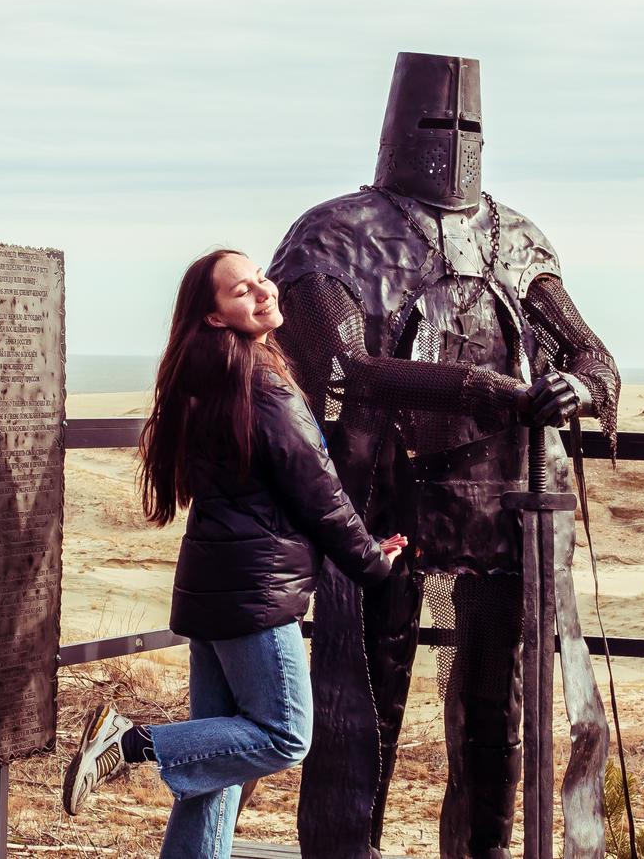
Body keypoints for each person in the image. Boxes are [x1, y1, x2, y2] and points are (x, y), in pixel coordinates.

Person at [267, 51, 618, 858]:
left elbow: (593, 356)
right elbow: (341, 367)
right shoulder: (336, 234)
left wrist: (580, 390)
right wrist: (473, 388)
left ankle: (483, 851)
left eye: (465, 123)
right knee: (364, 706)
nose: (451, 137)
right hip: (381, 504)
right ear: (400, 120)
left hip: (502, 507)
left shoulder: (515, 240)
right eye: (438, 119)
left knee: (495, 715)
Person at [61, 249, 405, 859]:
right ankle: (134, 742)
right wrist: (373, 564)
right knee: (283, 735)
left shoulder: (206, 382)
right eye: (241, 290)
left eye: (259, 280)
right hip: (256, 596)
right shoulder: (263, 388)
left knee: (213, 778)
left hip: (217, 589)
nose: (262, 291)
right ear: (217, 317)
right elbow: (320, 496)